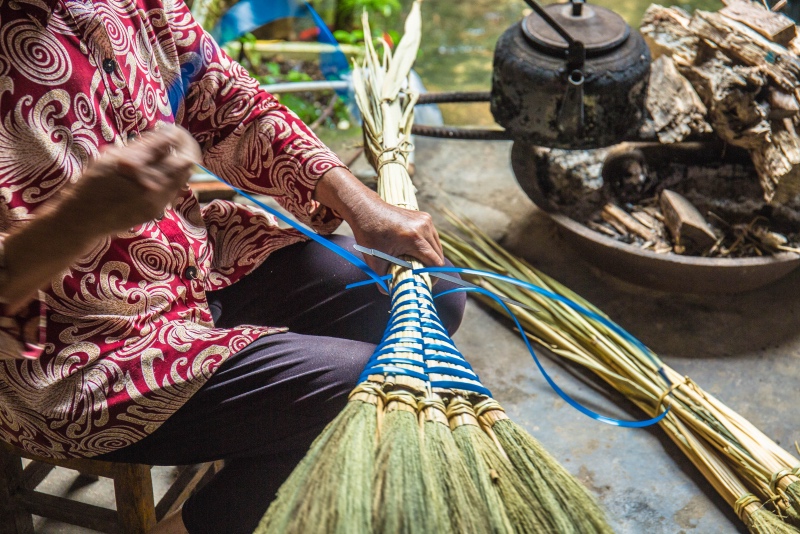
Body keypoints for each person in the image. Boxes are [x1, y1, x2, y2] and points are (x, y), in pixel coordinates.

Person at [0, 1, 465, 532]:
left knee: (431, 291)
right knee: (374, 390)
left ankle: (261, 461)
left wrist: (360, 204)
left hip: (195, 260)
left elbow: (220, 94)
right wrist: (78, 220)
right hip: (74, 356)